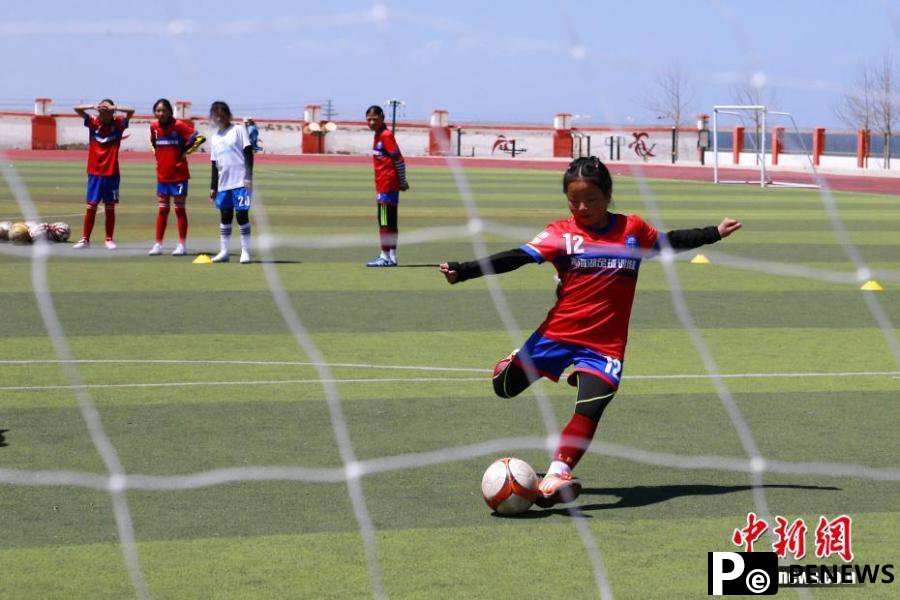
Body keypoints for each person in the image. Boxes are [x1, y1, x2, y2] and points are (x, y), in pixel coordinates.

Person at [439, 156, 742, 508]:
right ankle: (512, 363)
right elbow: (515, 257)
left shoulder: (632, 230)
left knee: (592, 405)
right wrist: (464, 271)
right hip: (556, 335)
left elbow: (668, 240)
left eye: (592, 200)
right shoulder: (559, 234)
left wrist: (713, 233)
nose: (582, 207)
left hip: (604, 345)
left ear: (608, 195)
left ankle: (557, 473)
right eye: (574, 201)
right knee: (503, 387)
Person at [72, 99, 135, 249]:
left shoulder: (118, 124)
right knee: (91, 206)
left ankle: (109, 239)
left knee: (110, 207)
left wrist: (116, 107)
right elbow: (76, 109)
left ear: (112, 112)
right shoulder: (93, 122)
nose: (102, 113)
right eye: (100, 110)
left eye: (106, 111)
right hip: (94, 172)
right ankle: (85, 239)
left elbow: (131, 111)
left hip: (111, 172)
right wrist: (91, 106)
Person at [149, 98, 205, 256]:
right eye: (158, 110)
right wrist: (160, 157)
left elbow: (199, 138)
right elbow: (153, 143)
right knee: (163, 210)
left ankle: (182, 245)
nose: (160, 113)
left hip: (179, 175)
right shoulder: (153, 127)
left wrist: (185, 151)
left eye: (163, 110)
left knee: (179, 210)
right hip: (162, 174)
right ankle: (158, 244)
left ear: (169, 111)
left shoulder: (179, 125)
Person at [208, 101, 253, 264]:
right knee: (225, 216)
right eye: (216, 115)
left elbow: (248, 153)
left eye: (222, 114)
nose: (219, 117)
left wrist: (248, 176)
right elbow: (214, 163)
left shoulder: (239, 130)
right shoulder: (214, 138)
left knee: (242, 215)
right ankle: (224, 251)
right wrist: (213, 186)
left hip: (240, 181)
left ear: (228, 115)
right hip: (223, 183)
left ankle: (246, 251)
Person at [366, 105, 409, 267]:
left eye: (375, 120)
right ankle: (392, 256)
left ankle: (384, 256)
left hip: (387, 186)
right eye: (368, 120)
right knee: (390, 221)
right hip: (386, 185)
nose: (371, 123)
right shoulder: (379, 134)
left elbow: (399, 159)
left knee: (384, 220)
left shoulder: (385, 135)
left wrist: (402, 181)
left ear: (382, 118)